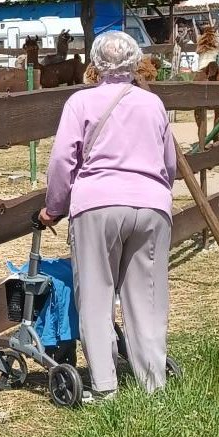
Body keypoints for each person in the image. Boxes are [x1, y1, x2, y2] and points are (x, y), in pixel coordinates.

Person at [39, 29, 176, 397]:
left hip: (97, 204)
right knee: (147, 297)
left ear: (96, 64)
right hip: (151, 204)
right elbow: (169, 163)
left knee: (96, 297)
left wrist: (54, 208)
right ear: (135, 62)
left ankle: (104, 386)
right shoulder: (154, 104)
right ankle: (153, 384)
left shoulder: (80, 103)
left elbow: (62, 161)